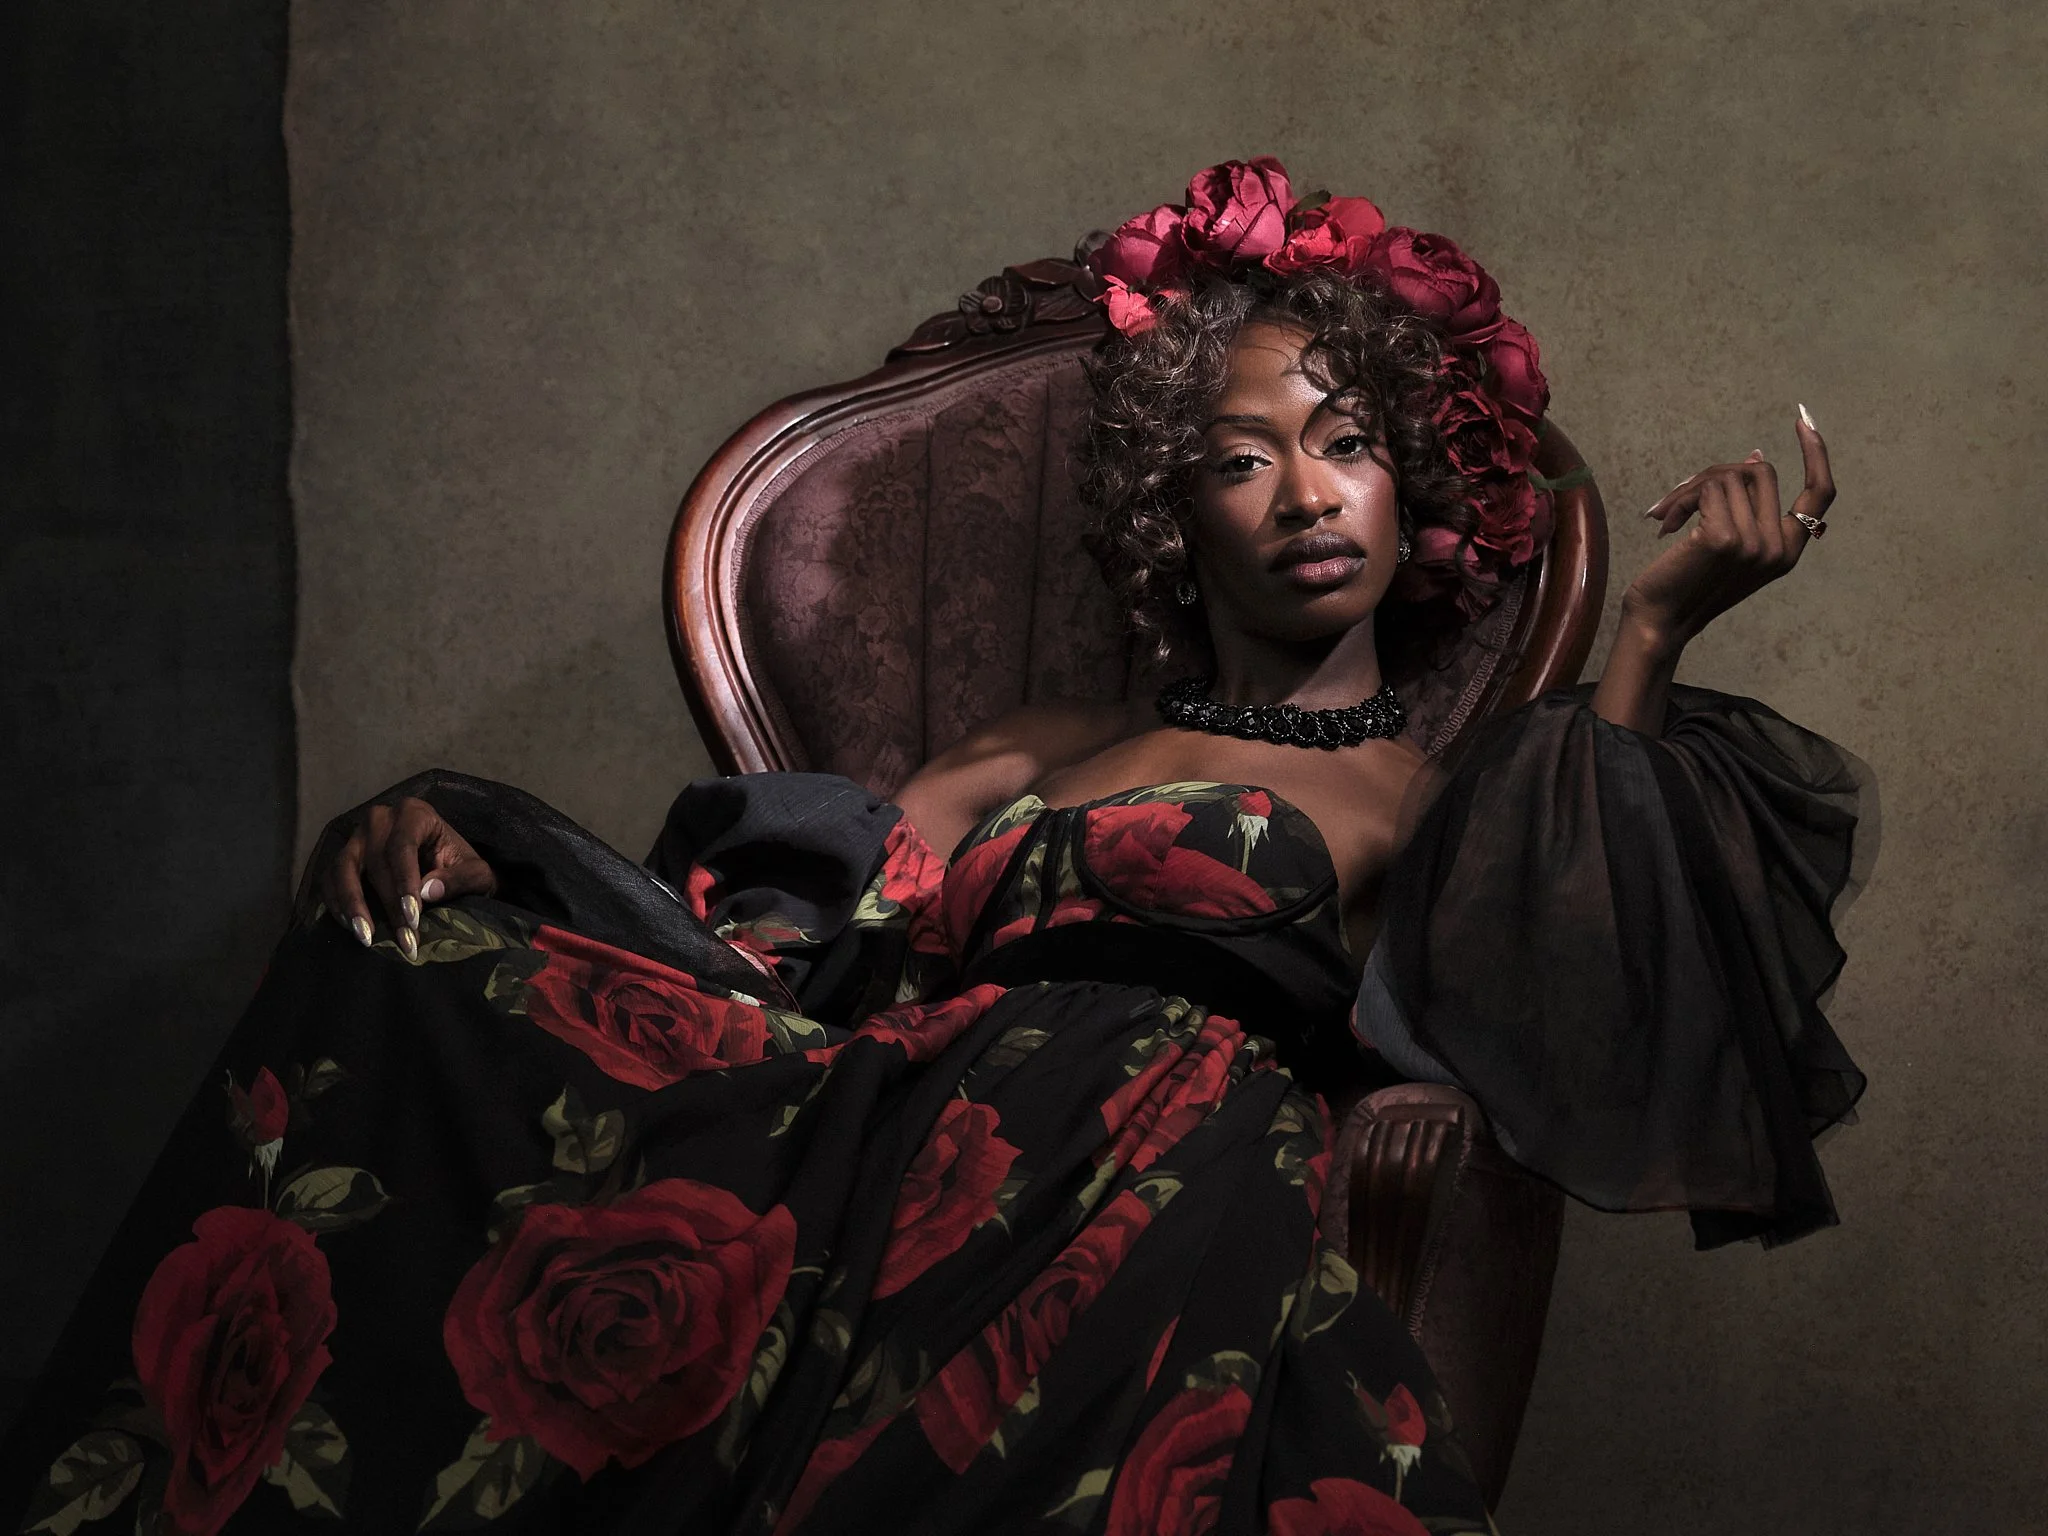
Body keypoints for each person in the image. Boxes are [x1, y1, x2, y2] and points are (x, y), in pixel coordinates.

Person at [1, 157, 1868, 1536]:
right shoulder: (1042, 744)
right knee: (387, 950)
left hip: (1160, 1172)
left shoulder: (1432, 792)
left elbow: (1571, 988)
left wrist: (1654, 631)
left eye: (1352, 441)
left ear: (1412, 483)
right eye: (1242, 457)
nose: (1307, 493)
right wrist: (489, 855)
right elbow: (762, 959)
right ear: (1171, 513)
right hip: (872, 1138)